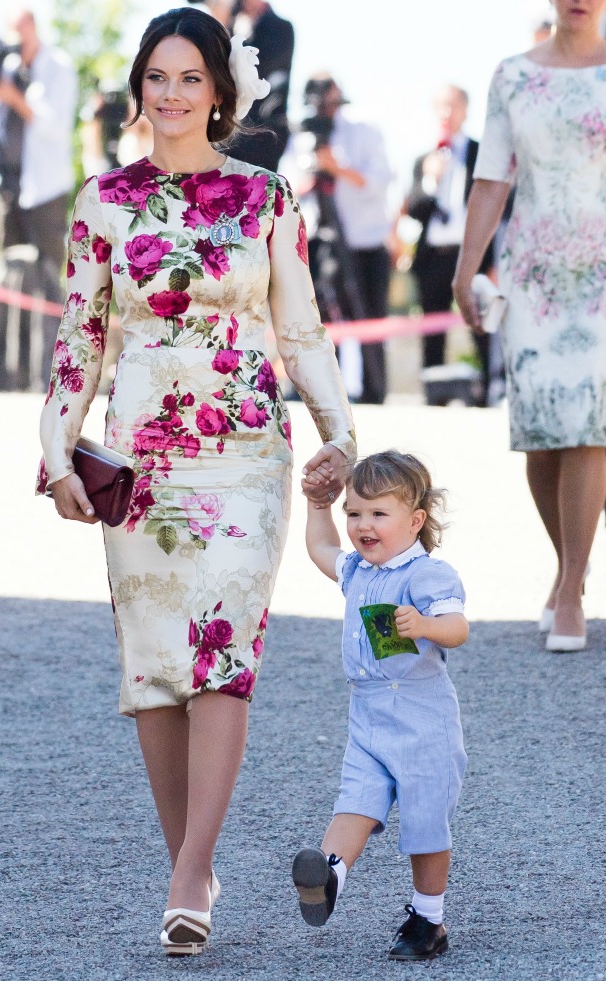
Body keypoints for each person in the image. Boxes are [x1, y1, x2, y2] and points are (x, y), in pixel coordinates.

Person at [36, 6, 355, 957]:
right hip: (139, 460)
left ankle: (188, 871)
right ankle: (194, 860)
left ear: (220, 92)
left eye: (189, 77)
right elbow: (79, 339)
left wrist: (339, 432)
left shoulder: (264, 197)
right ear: (139, 87)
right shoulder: (101, 202)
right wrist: (59, 450)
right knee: (157, 672)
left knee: (223, 655)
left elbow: (300, 329)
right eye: (156, 76)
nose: (170, 94)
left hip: (245, 452)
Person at [453, 0, 606, 652]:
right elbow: (491, 179)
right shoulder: (512, 75)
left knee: (590, 423)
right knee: (542, 437)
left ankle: (571, 585)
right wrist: (466, 270)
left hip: (602, 271)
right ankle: (569, 559)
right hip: (533, 272)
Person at [293, 450, 468, 961]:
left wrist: (426, 625)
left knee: (423, 823)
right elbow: (321, 548)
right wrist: (316, 505)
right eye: (354, 513)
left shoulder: (426, 575)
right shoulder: (358, 570)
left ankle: (428, 918)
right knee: (356, 801)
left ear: (415, 522)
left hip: (421, 720)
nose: (362, 525)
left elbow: (457, 628)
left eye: (377, 513)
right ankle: (329, 877)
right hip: (368, 716)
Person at [0, 7, 77, 391]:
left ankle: (48, 374)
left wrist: (11, 96)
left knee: (48, 280)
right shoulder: (8, 67)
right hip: (8, 190)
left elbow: (54, 125)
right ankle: (4, 374)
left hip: (45, 190)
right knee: (8, 277)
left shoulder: (58, 66)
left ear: (31, 26)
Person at [302, 74, 393, 404]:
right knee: (325, 322)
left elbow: (379, 180)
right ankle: (330, 393)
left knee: (370, 320)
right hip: (320, 242)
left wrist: (336, 168)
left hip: (364, 244)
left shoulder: (364, 132)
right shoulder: (301, 136)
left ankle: (374, 391)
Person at [407, 85, 493, 400]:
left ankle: (487, 390)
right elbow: (414, 209)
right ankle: (434, 392)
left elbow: (496, 205)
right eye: (441, 106)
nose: (447, 113)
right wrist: (431, 181)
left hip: (472, 253)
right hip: (433, 257)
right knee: (432, 327)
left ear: (465, 110)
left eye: (453, 106)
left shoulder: (480, 152)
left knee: (480, 325)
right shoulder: (423, 159)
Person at [227, 0, 295, 172]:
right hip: (228, 133)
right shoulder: (234, 24)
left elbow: (256, 68)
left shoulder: (281, 27)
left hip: (264, 133)